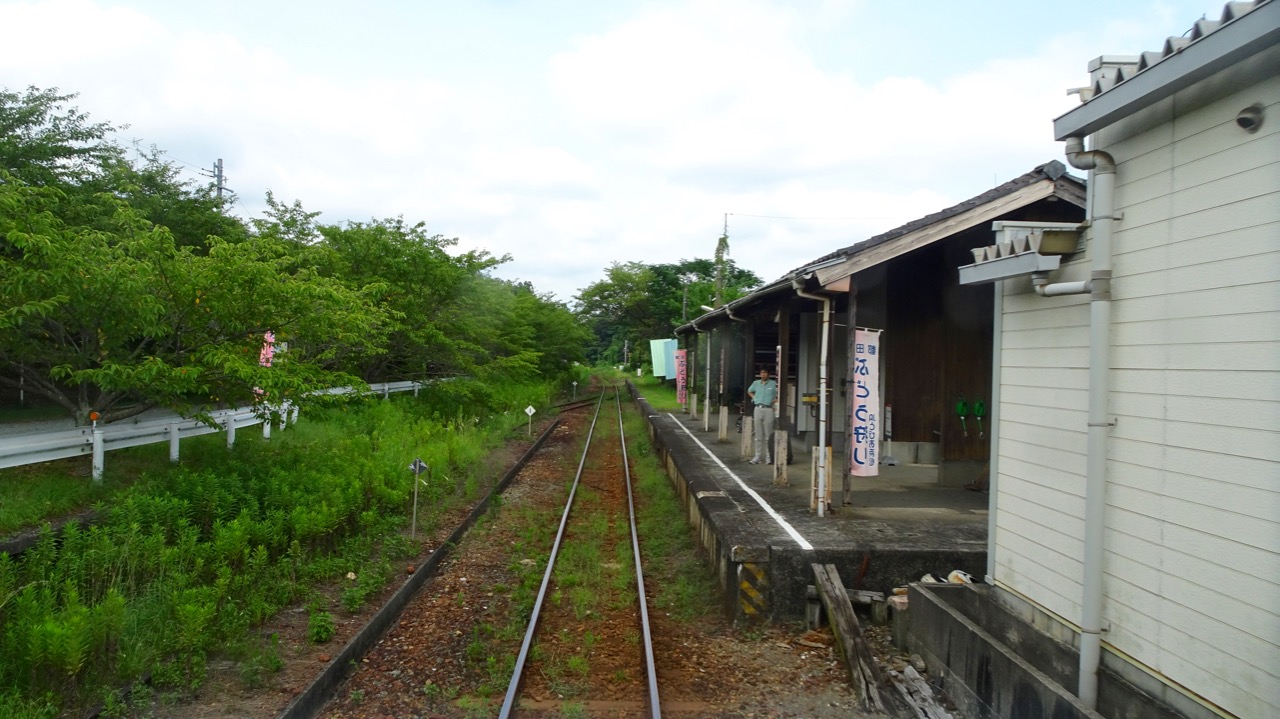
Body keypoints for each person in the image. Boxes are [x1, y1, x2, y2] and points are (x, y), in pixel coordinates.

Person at [747, 368, 778, 464]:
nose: (763, 374)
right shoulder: (756, 383)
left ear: (768, 374)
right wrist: (754, 398)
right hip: (758, 408)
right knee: (758, 434)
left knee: (768, 434)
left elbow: (780, 394)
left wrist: (773, 401)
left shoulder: (774, 384)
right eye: (762, 373)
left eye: (765, 373)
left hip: (768, 409)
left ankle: (769, 457)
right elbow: (749, 391)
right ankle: (757, 456)